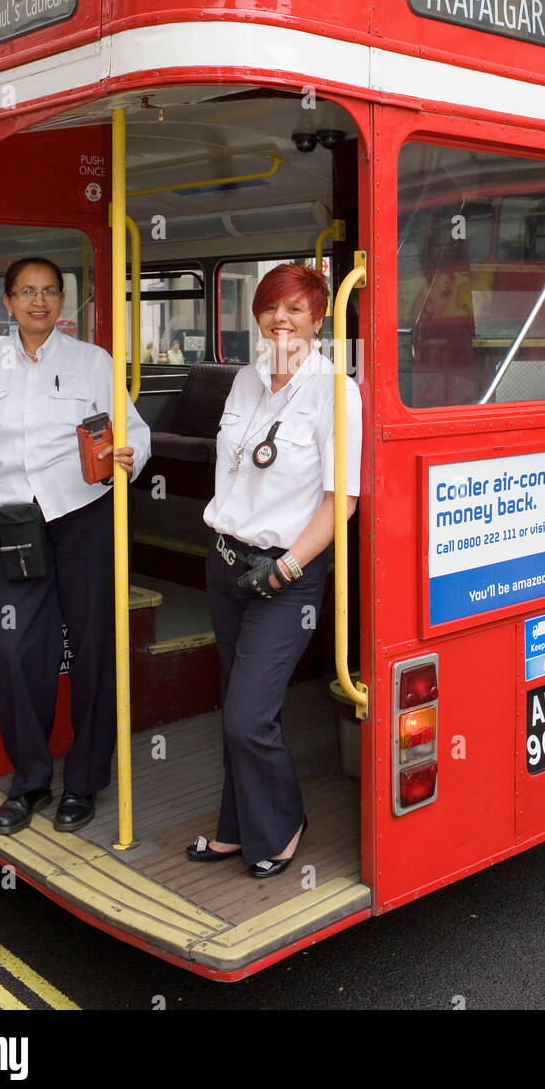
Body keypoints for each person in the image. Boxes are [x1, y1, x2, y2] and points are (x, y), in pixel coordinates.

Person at [0, 258, 151, 837]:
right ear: (6, 302)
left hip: (82, 520)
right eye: (26, 292)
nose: (39, 301)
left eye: (50, 291)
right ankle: (30, 781)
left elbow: (136, 432)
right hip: (15, 527)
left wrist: (128, 460)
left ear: (63, 300)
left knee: (94, 647)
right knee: (9, 647)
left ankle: (82, 782)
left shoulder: (91, 361)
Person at [188, 263, 361, 878]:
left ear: (318, 319)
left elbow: (343, 500)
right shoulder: (244, 381)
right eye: (271, 309)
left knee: (247, 716)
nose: (281, 320)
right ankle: (239, 827)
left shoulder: (336, 391)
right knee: (240, 705)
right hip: (227, 563)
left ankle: (283, 824)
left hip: (287, 577)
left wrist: (286, 568)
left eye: (296, 310)